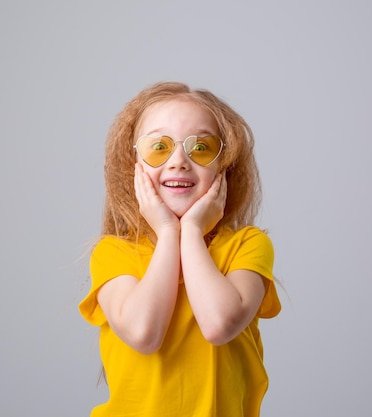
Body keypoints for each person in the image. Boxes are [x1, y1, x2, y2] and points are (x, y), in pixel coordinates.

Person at [78, 81, 281, 417]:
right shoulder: (113, 253)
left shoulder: (248, 246)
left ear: (224, 165)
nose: (179, 161)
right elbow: (144, 333)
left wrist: (191, 230)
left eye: (200, 147)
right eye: (159, 147)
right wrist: (169, 231)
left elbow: (219, 325)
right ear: (134, 166)